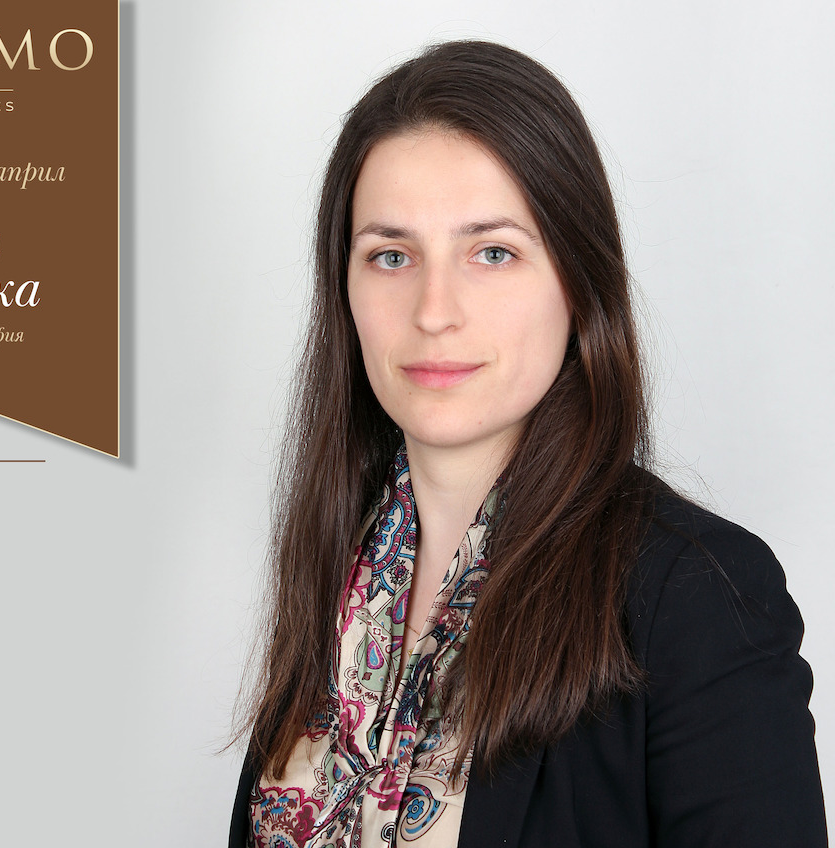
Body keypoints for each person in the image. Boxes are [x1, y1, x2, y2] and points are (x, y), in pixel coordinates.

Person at [229, 40, 826, 847]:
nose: (434, 310)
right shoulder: (332, 568)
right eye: (391, 256)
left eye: (493, 253)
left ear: (578, 282)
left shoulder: (698, 598)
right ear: (345, 288)